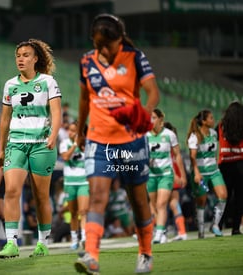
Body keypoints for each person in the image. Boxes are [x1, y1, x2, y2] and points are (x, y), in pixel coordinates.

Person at [73, 14, 159, 274]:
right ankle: (92, 257)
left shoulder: (134, 57)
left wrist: (144, 113)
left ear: (119, 39)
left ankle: (145, 254)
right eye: (98, 45)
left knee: (139, 201)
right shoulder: (86, 62)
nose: (103, 50)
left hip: (131, 141)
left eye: (107, 45)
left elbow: (153, 91)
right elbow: (84, 99)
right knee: (97, 197)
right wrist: (79, 131)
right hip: (99, 140)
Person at [0, 38, 62, 259]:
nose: (21, 59)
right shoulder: (9, 85)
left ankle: (43, 243)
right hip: (16, 144)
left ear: (35, 59)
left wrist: (53, 135)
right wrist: (1, 148)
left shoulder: (48, 82)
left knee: (41, 196)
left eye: (25, 55)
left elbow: (56, 113)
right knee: (12, 190)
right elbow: (5, 120)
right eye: (18, 56)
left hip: (42, 145)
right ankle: (11, 243)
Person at [146, 109, 187, 244]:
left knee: (161, 204)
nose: (151, 121)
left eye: (153, 118)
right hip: (151, 175)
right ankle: (161, 232)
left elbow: (177, 155)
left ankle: (158, 234)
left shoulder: (169, 135)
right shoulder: (145, 136)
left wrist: (182, 175)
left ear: (160, 119)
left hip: (166, 174)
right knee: (153, 205)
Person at [186, 109, 227, 238]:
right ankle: (201, 230)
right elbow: (192, 157)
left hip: (214, 172)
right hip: (201, 174)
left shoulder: (214, 134)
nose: (213, 120)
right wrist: (197, 174)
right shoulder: (195, 136)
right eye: (210, 118)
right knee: (201, 201)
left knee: (223, 195)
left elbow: (214, 151)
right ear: (203, 121)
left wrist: (215, 163)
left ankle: (215, 225)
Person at [59, 121, 89, 250]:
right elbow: (65, 157)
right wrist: (75, 144)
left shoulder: (87, 144)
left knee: (83, 211)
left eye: (73, 130)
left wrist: (81, 144)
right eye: (69, 130)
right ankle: (74, 240)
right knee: (73, 213)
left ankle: (84, 238)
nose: (69, 132)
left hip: (83, 182)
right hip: (70, 182)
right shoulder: (64, 143)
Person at [217, 101, 243, 235]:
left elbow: (215, 139)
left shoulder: (221, 125)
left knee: (224, 196)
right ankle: (236, 228)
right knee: (240, 197)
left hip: (225, 164)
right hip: (241, 164)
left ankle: (219, 225)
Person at [164, 121, 188, 241]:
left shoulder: (163, 147)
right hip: (174, 179)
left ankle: (159, 233)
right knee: (174, 204)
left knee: (158, 206)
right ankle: (182, 231)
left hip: (165, 177)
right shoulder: (175, 149)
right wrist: (181, 177)